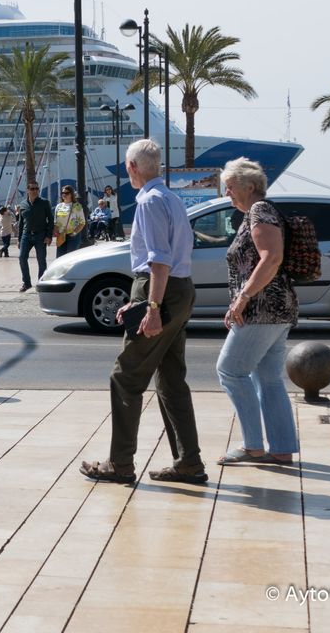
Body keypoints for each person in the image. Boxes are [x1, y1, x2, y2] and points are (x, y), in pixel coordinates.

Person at [80, 138, 208, 486]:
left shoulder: (150, 203)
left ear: (132, 168)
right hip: (181, 291)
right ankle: (189, 462)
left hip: (161, 290)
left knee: (126, 376)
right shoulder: (171, 199)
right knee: (170, 379)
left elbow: (158, 260)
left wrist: (150, 306)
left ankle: (120, 463)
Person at [213, 158, 299, 466]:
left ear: (249, 187)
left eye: (231, 187)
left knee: (231, 371)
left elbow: (271, 257)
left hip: (263, 309)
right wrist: (238, 299)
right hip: (276, 308)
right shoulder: (260, 212)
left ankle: (253, 446)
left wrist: (244, 297)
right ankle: (281, 448)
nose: (227, 193)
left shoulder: (260, 211)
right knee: (268, 378)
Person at [16, 184, 53, 292]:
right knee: (22, 258)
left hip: (41, 235)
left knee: (41, 260)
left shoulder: (44, 203)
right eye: (32, 189)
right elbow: (21, 223)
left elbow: (50, 220)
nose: (35, 191)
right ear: (27, 190)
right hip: (26, 235)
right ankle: (26, 283)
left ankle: (41, 283)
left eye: (37, 189)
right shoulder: (22, 204)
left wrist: (48, 236)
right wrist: (19, 238)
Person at [54, 185, 87, 256]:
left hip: (73, 236)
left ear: (71, 194)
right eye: (63, 193)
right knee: (60, 258)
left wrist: (74, 233)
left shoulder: (77, 206)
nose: (64, 195)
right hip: (61, 235)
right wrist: (56, 232)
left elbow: (82, 222)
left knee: (70, 258)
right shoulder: (59, 206)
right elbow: (56, 222)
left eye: (67, 193)